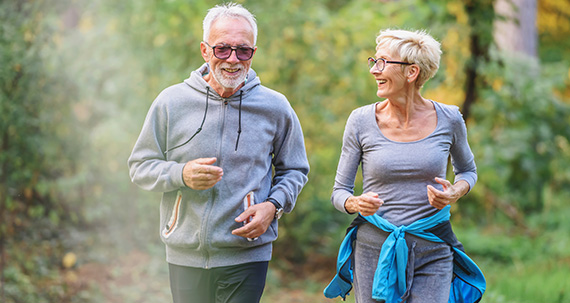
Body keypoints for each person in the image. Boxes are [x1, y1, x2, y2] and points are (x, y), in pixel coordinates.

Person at [127, 3, 310, 303]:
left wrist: (273, 206)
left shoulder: (275, 107)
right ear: (204, 50)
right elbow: (139, 166)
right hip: (184, 254)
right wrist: (180, 174)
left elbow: (295, 169)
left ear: (253, 52)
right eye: (222, 49)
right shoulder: (171, 102)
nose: (233, 59)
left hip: (248, 253)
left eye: (243, 50)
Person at [323, 29, 485, 303]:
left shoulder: (450, 118)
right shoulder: (360, 121)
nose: (375, 70)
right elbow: (339, 191)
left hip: (433, 249)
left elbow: (467, 171)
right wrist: (355, 203)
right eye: (374, 61)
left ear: (411, 73)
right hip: (374, 250)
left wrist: (455, 192)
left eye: (383, 62)